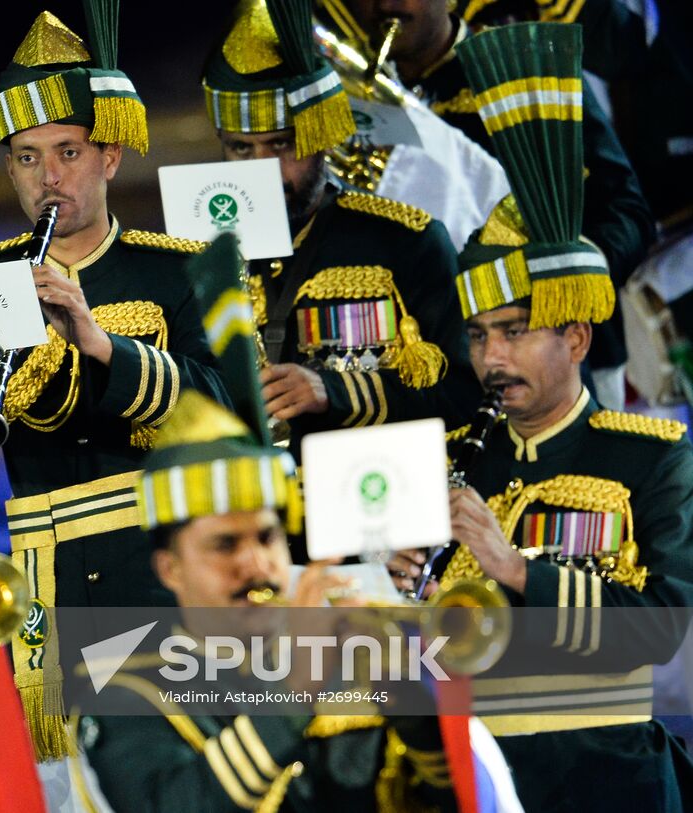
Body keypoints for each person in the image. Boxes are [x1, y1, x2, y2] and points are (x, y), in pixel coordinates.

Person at [385, 23, 693, 808]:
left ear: (577, 336)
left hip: (606, 779)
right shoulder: (451, 455)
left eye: (515, 332)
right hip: (477, 779)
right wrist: (391, 586)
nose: (490, 358)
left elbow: (662, 627)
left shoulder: (652, 457)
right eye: (481, 335)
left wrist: (518, 568)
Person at [0, 4, 229, 758]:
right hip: (48, 584)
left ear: (110, 158)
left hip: (162, 570)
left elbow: (231, 408)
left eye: (67, 152)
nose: (47, 177)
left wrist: (97, 341)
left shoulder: (183, 266)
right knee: (62, 789)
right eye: (26, 157)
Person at [74, 387, 468, 812]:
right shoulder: (122, 688)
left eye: (267, 538)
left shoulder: (356, 654)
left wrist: (418, 707)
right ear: (170, 569)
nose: (256, 564)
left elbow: (452, 798)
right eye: (225, 545)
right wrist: (294, 688)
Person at [327, 0, 657, 409]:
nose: (383, 5)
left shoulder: (528, 65)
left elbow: (626, 209)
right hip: (416, 373)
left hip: (557, 362)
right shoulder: (338, 89)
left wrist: (566, 282)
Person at [202, 0, 478, 454]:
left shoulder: (407, 241)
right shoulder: (195, 253)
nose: (264, 170)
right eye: (241, 149)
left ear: (322, 135)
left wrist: (339, 391)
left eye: (282, 144)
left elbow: (468, 394)